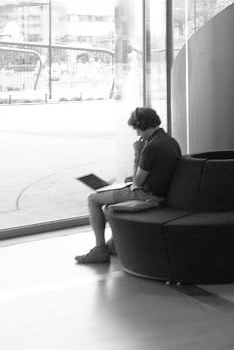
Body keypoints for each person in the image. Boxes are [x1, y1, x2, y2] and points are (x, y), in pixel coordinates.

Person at [75, 107, 181, 264]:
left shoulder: (150, 148)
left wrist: (137, 153)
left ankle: (99, 249)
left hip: (147, 196)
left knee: (93, 199)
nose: (137, 134)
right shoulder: (171, 141)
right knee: (112, 198)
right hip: (161, 193)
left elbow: (137, 182)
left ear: (142, 125)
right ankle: (113, 244)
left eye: (137, 129)